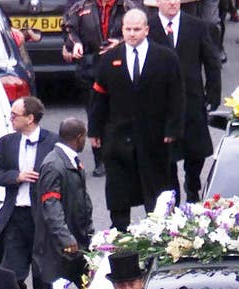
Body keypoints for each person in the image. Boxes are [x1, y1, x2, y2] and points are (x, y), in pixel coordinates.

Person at [89, 8, 184, 230]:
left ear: (146, 30)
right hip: (119, 138)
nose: (131, 34)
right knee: (119, 190)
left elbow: (177, 96)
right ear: (122, 29)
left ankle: (160, 231)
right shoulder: (110, 59)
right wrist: (95, 130)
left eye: (136, 29)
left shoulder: (165, 58)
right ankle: (120, 235)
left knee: (157, 188)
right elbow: (99, 97)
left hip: (155, 136)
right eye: (127, 29)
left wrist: (173, 129)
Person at [0, 96, 59, 289]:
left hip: (41, 218)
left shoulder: (53, 141)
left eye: (14, 115)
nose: (11, 118)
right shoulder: (7, 143)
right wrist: (16, 176)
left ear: (30, 118)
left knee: (43, 278)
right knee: (13, 277)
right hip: (16, 217)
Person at [149, 0, 221, 204]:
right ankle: (172, 193)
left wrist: (213, 94)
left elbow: (211, 61)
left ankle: (193, 185)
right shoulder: (150, 28)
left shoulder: (197, 26)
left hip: (192, 100)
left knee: (195, 150)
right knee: (166, 155)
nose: (172, 2)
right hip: (161, 105)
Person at [32, 117, 93, 289]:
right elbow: (51, 207)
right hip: (59, 250)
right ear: (79, 137)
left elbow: (81, 203)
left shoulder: (70, 161)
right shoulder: (54, 165)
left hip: (75, 245)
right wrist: (66, 239)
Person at [62, 0, 134, 177]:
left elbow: (139, 29)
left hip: (119, 64)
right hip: (90, 66)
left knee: (118, 111)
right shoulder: (81, 7)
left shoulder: (126, 6)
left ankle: (121, 154)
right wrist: (75, 43)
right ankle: (100, 160)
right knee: (95, 112)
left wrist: (119, 42)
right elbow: (68, 28)